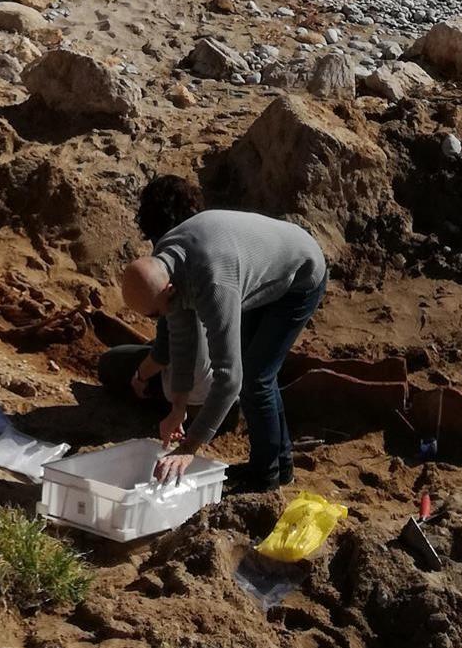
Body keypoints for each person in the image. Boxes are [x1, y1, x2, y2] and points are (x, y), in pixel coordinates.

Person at [121, 210, 327, 492]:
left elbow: (229, 378)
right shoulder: (165, 262)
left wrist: (189, 447)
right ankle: (281, 466)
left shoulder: (213, 284)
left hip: (300, 274)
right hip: (255, 267)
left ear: (168, 289)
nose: (156, 319)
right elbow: (182, 339)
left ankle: (265, 476)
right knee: (258, 372)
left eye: (155, 314)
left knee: (255, 377)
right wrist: (178, 407)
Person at [98, 176, 214, 415]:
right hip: (233, 383)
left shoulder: (171, 265)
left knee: (110, 364)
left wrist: (140, 376)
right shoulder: (216, 242)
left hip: (198, 401)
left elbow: (166, 349)